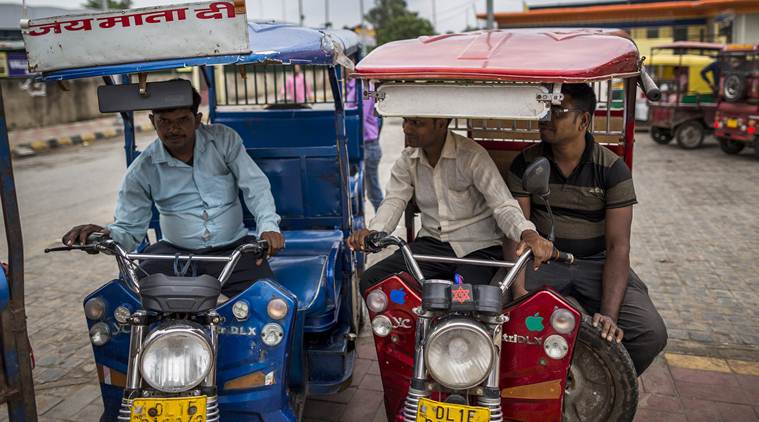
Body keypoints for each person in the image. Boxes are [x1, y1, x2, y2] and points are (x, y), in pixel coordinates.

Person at [62, 83, 285, 297]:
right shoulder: (143, 169)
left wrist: (268, 226)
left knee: (270, 302)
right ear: (152, 121)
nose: (174, 129)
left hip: (234, 251)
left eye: (182, 120)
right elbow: (128, 230)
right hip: (174, 255)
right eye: (164, 121)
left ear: (197, 120)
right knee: (133, 303)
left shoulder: (223, 139)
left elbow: (255, 185)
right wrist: (102, 236)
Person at [505, 83, 667, 376]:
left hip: (596, 263)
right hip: (543, 263)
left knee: (650, 332)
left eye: (558, 111)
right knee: (496, 308)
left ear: (583, 120)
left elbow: (619, 246)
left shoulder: (612, 169)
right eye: (544, 110)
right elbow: (517, 229)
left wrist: (609, 314)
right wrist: (519, 292)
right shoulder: (526, 162)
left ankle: (597, 383)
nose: (546, 118)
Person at [348, 117, 554, 294]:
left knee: (464, 299)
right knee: (372, 281)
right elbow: (394, 200)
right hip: (431, 246)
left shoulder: (472, 155)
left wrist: (528, 233)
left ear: (441, 124)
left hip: (478, 248)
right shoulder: (407, 160)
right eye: (405, 121)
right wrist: (375, 232)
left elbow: (502, 205)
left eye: (416, 123)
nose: (406, 128)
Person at [346, 78, 383, 211]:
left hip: (367, 144)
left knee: (373, 189)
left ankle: (382, 222)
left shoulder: (364, 88)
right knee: (350, 185)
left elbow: (361, 115)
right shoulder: (350, 85)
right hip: (358, 142)